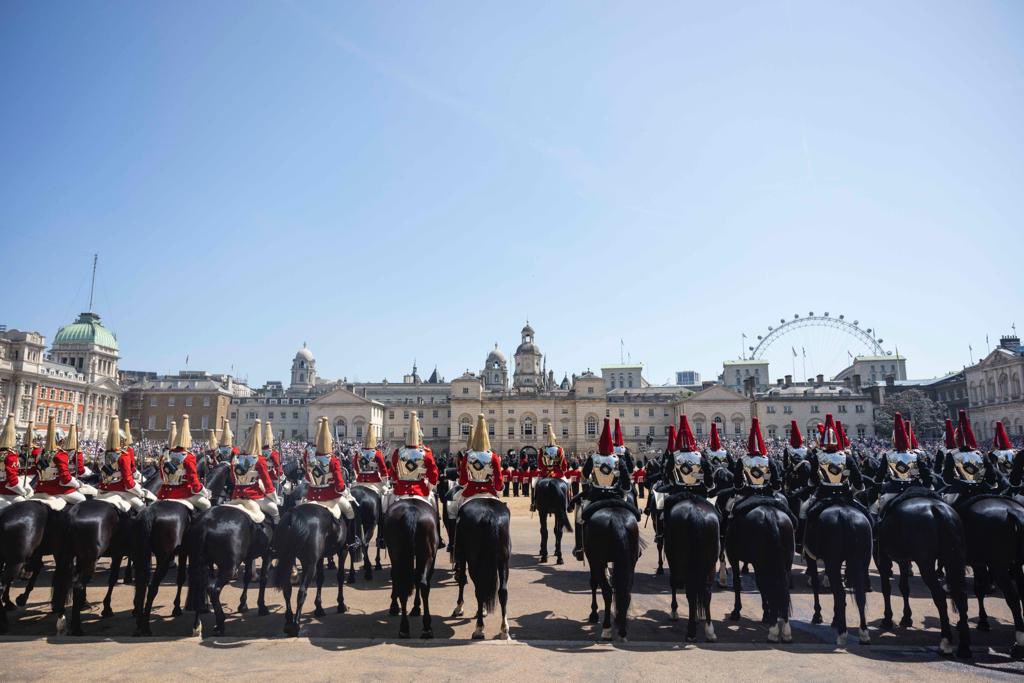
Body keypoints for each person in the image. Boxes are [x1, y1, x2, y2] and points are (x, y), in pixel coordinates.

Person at [571, 417, 632, 560]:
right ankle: (635, 547)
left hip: (595, 494)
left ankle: (580, 547)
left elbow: (584, 476)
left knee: (579, 516)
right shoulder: (618, 458)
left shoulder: (594, 457)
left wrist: (588, 484)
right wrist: (624, 490)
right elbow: (626, 482)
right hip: (616, 495)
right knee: (632, 513)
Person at [304, 417, 361, 553]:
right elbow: (339, 484)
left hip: (312, 496)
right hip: (331, 496)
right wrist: (343, 490)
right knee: (350, 512)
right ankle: (351, 541)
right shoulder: (333, 460)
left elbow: (307, 479)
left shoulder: (311, 460)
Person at [449, 414, 503, 553]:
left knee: (453, 511)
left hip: (470, 490)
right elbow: (498, 478)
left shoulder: (468, 455)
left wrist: (465, 483)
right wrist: (499, 488)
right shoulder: (493, 456)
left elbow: (462, 480)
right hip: (489, 491)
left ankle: (456, 547)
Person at [869, 412, 935, 517]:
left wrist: (877, 484)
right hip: (916, 489)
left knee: (874, 510)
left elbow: (880, 475)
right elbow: (926, 474)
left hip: (893, 490)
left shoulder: (888, 455)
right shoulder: (915, 455)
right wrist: (926, 487)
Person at [157, 414, 212, 512]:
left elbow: (163, 476)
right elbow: (193, 480)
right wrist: (203, 491)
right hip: (183, 493)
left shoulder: (165, 455)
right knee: (207, 505)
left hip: (165, 493)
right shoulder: (189, 457)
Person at [940, 409, 995, 506]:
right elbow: (991, 475)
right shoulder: (981, 454)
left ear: (957, 440)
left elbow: (947, 479)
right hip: (982, 489)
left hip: (961, 491)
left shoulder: (952, 454)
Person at [230, 419, 280, 524]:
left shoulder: (235, 458)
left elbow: (233, 479)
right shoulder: (259, 459)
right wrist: (275, 499)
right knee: (274, 510)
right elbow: (267, 482)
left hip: (236, 495)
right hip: (253, 495)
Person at [30, 415, 87, 507]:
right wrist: (77, 484)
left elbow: (36, 471)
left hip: (40, 488)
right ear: (61, 440)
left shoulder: (40, 453)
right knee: (82, 500)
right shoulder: (60, 454)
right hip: (57, 490)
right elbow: (66, 479)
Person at [96, 415, 147, 513]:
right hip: (121, 490)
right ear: (121, 441)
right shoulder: (123, 456)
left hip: (102, 490)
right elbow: (128, 481)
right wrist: (140, 492)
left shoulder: (103, 454)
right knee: (142, 508)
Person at [0, 414, 31, 510]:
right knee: (26, 507)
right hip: (7, 492)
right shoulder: (11, 455)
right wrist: (23, 492)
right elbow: (12, 480)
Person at [354, 423, 389, 497]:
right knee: (386, 496)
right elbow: (383, 469)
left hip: (360, 480)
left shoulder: (359, 453)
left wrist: (358, 474)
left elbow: (355, 466)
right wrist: (385, 482)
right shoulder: (377, 453)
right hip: (374, 480)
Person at [263, 420, 284, 484]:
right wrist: (280, 474)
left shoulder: (258, 452)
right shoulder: (274, 453)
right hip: (272, 478)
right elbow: (278, 466)